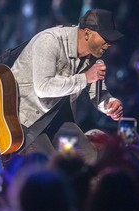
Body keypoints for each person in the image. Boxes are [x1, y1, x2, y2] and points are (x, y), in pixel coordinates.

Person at [10, 9, 124, 164]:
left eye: (111, 40)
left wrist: (108, 104)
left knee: (88, 158)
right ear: (87, 33)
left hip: (57, 118)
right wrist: (85, 77)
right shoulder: (50, 41)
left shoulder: (93, 56)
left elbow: (96, 92)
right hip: (26, 120)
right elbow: (43, 88)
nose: (109, 44)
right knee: (52, 166)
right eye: (105, 38)